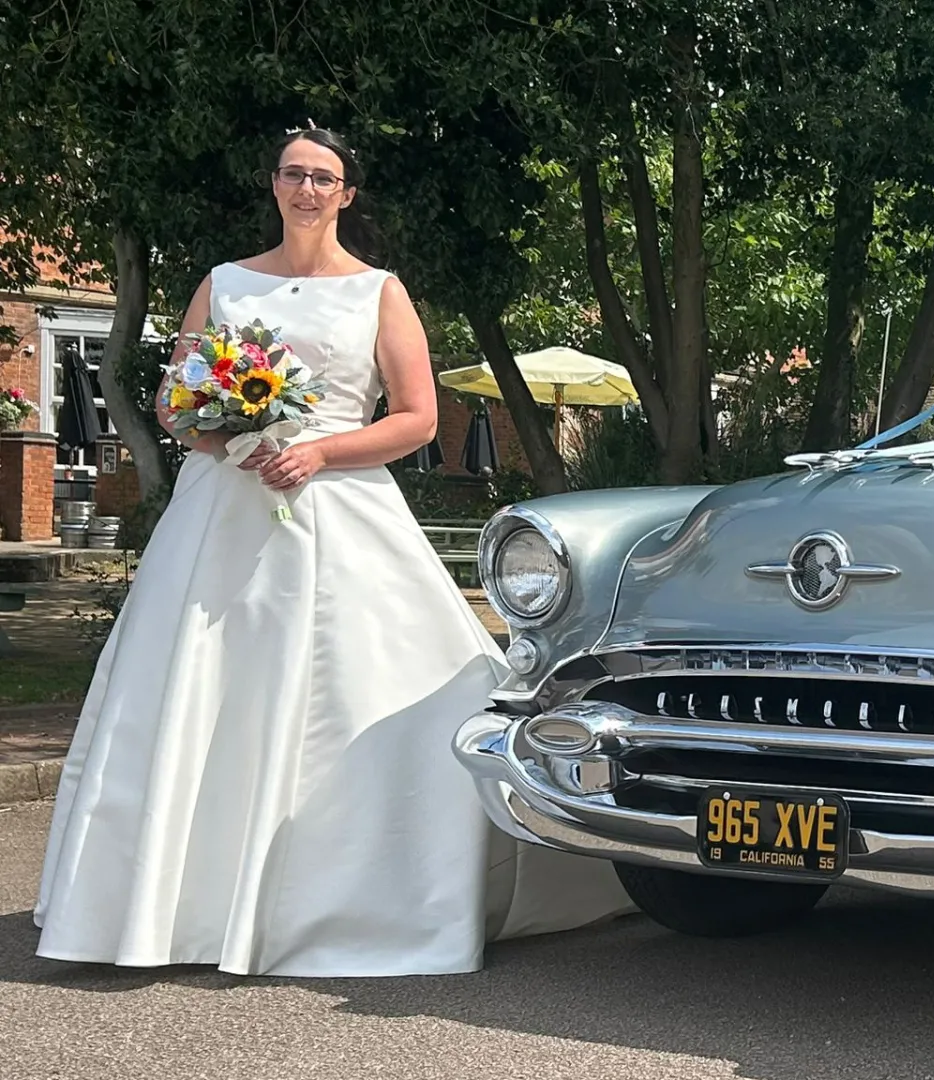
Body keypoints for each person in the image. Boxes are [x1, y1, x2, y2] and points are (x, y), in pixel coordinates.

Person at [33, 126, 635, 977]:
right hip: (221, 513)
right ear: (274, 185)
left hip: (339, 500)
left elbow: (417, 418)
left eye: (325, 177)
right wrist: (221, 434)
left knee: (376, 687)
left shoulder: (378, 292)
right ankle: (169, 910)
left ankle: (352, 898)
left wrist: (317, 450)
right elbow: (175, 397)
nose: (308, 190)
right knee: (193, 691)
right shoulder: (225, 283)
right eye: (294, 175)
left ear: (347, 194)